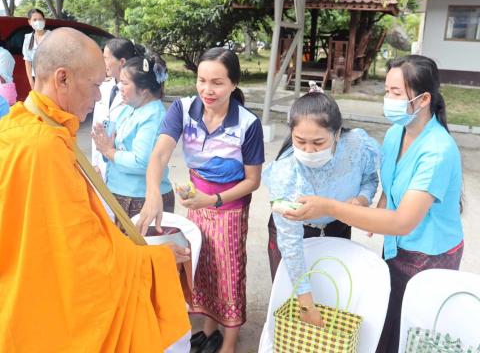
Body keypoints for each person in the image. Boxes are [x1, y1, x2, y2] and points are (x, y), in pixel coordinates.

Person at [0, 27, 191, 352]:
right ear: (62, 79)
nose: (100, 97)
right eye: (95, 85)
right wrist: (157, 258)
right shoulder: (43, 148)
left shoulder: (19, 126)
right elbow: (86, 260)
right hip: (43, 308)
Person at [284, 55, 464, 352]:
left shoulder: (438, 151)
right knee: (388, 319)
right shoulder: (396, 133)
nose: (387, 99)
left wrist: (331, 207)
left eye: (395, 93)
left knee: (414, 332)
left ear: (423, 99)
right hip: (396, 246)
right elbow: (391, 181)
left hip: (429, 254)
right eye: (386, 91)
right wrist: (377, 205)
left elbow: (403, 221)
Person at [137, 47, 265, 353]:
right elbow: (159, 153)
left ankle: (229, 340)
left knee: (229, 272)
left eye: (217, 82)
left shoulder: (247, 124)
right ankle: (209, 329)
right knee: (201, 266)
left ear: (234, 84)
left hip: (229, 209)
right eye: (202, 80)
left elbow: (252, 181)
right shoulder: (182, 109)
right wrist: (154, 192)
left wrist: (214, 199)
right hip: (198, 204)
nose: (208, 90)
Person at [262, 89, 380, 326]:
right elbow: (291, 245)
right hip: (297, 236)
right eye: (300, 141)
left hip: (338, 226)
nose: (308, 150)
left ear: (337, 134)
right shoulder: (286, 173)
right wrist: (306, 305)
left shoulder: (356, 146)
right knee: (293, 303)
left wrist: (361, 201)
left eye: (318, 142)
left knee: (333, 289)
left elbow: (370, 179)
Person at [92, 55, 174, 221]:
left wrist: (108, 151)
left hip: (140, 198)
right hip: (122, 193)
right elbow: (113, 147)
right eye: (120, 82)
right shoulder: (128, 108)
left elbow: (141, 162)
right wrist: (104, 144)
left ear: (143, 89)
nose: (120, 88)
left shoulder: (154, 115)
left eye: (125, 83)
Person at [91, 38, 139, 180]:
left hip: (122, 166)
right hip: (101, 163)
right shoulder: (103, 87)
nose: (102, 63)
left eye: (106, 58)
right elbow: (96, 127)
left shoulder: (136, 93)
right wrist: (95, 162)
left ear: (122, 62)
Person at [22, 8, 50, 90]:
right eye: (34, 19)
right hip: (36, 78)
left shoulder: (52, 35)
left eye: (40, 19)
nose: (38, 22)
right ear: (29, 22)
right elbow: (27, 62)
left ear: (44, 21)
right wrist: (32, 83)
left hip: (50, 77)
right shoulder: (28, 38)